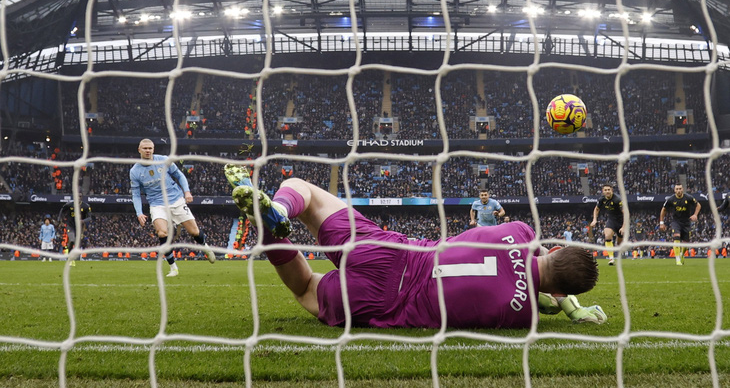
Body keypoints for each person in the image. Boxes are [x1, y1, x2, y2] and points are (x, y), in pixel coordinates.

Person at [224, 165, 605, 329]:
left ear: (552, 249)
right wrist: (570, 308)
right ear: (558, 291)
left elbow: (531, 261)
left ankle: (276, 209)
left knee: (304, 191)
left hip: (392, 252)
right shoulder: (521, 315)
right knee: (306, 287)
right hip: (383, 303)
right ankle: (270, 234)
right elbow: (533, 297)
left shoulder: (520, 230)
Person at [130, 138, 215, 277]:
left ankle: (205, 247)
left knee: (194, 232)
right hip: (157, 204)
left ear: (153, 149)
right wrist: (139, 212)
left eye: (150, 148)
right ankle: (173, 268)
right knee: (162, 233)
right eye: (145, 148)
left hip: (176, 200)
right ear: (139, 150)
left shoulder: (164, 160)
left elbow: (179, 175)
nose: (147, 151)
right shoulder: (135, 171)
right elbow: (136, 194)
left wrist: (186, 191)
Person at [659, 184, 701, 266]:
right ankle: (677, 259)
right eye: (677, 189)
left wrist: (695, 214)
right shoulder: (671, 199)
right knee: (676, 237)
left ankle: (682, 254)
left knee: (685, 242)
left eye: (680, 189)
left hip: (687, 222)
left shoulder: (688, 197)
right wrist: (661, 223)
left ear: (683, 189)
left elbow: (698, 205)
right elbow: (663, 210)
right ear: (674, 190)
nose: (678, 190)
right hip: (676, 222)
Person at [590, 184, 627, 266]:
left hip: (621, 221)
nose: (607, 191)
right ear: (603, 191)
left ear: (612, 191)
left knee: (619, 243)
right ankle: (611, 258)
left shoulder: (618, 200)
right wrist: (594, 219)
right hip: (611, 220)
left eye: (608, 190)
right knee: (607, 235)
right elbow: (596, 209)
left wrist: (624, 227)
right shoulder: (601, 199)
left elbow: (626, 214)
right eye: (605, 190)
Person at [57, 200, 91, 266]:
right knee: (72, 240)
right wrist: (59, 219)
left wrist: (83, 221)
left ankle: (73, 258)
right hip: (70, 226)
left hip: (79, 227)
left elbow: (89, 217)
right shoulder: (70, 204)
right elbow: (62, 209)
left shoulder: (85, 206)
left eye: (80, 197)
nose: (79, 198)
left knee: (77, 243)